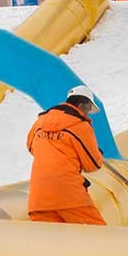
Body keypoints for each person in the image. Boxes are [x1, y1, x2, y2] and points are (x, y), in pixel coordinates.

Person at [26, 85, 106, 226]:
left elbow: (31, 147)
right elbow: (93, 165)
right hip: (69, 197)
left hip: (38, 199)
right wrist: (98, 153)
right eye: (88, 110)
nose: (87, 114)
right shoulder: (81, 126)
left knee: (51, 245)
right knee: (97, 238)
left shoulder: (39, 123)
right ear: (81, 106)